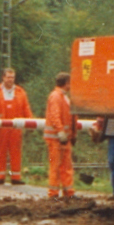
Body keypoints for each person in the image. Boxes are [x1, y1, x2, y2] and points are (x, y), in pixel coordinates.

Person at [0, 67, 32, 185]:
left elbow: (26, 108)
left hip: (16, 127)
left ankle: (15, 177)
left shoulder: (21, 92)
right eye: (8, 77)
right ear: (3, 77)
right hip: (1, 126)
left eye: (12, 77)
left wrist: (30, 122)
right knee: (1, 151)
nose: (10, 79)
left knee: (16, 151)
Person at [44, 71, 74, 199]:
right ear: (66, 83)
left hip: (63, 138)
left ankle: (68, 192)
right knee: (56, 166)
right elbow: (55, 116)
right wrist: (61, 131)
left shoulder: (63, 96)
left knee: (66, 166)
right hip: (56, 138)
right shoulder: (56, 96)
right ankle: (54, 193)